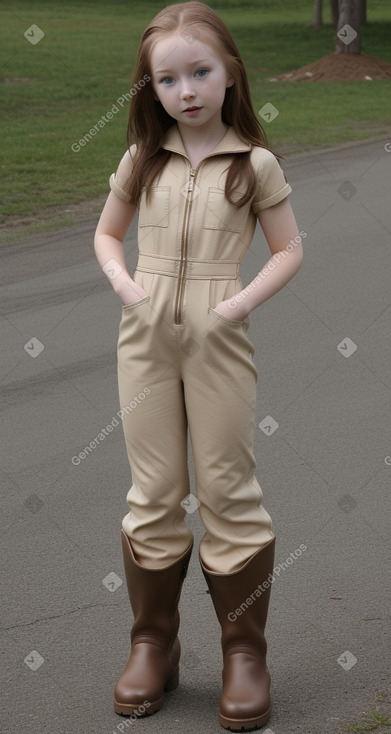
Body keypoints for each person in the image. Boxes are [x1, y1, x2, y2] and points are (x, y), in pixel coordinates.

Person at [94, 2, 303, 730]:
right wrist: (126, 286)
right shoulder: (141, 160)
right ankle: (153, 643)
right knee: (153, 489)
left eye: (200, 72)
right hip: (143, 337)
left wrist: (237, 303)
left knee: (225, 487)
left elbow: (288, 249)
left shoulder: (254, 164)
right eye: (167, 78)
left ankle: (244, 653)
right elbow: (106, 234)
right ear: (149, 88)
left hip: (218, 339)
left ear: (230, 75)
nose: (186, 90)